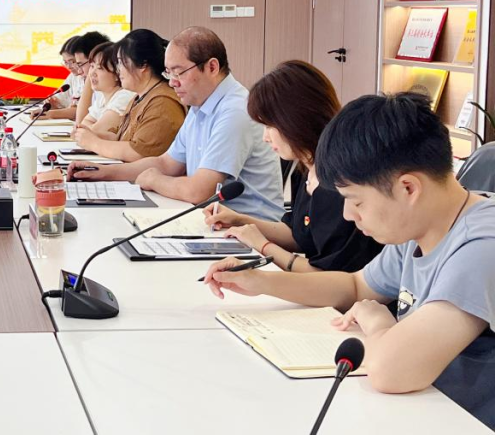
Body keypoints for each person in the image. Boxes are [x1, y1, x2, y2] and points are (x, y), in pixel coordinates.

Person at [203, 93, 495, 429]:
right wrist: (262, 282)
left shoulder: (483, 245)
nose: (347, 214)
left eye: (356, 201)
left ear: (408, 189)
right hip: (421, 409)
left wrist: (379, 323)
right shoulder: (423, 225)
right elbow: (356, 286)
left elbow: (390, 370)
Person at [70, 26, 282, 221]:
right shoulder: (200, 104)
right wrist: (103, 173)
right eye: (168, 73)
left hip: (249, 231)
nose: (172, 82)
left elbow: (199, 191)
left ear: (212, 67)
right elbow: (167, 164)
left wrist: (154, 180)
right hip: (213, 220)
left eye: (179, 72)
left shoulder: (235, 110)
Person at [202, 60, 383, 272]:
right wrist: (239, 221)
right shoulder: (306, 167)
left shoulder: (339, 182)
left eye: (270, 126)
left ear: (295, 119)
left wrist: (263, 246)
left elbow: (327, 276)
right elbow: (298, 235)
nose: (265, 137)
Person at [70, 28, 184, 162]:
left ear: (142, 65)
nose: (118, 69)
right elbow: (124, 138)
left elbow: (138, 153)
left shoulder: (162, 103)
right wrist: (94, 135)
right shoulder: (140, 97)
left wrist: (94, 143)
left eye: (121, 62)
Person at [45, 31, 110, 121]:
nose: (78, 70)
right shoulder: (98, 88)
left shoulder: (118, 94)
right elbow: (84, 121)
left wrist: (52, 114)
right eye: (65, 62)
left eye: (74, 62)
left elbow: (81, 119)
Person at [75, 42, 134, 139]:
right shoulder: (102, 97)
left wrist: (89, 128)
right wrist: (88, 128)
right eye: (92, 66)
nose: (92, 73)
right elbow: (82, 124)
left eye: (100, 68)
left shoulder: (124, 96)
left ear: (117, 74)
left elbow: (94, 133)